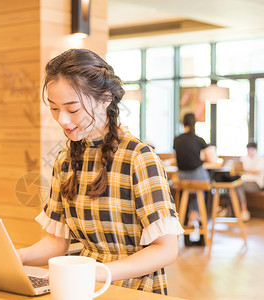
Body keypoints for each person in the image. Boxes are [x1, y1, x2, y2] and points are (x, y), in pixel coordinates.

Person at [17, 49, 183, 294]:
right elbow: (56, 242)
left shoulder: (139, 157)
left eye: (72, 109)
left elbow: (166, 249)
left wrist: (99, 271)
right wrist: (14, 255)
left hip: (134, 289)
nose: (62, 120)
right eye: (54, 108)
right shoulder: (65, 160)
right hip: (81, 287)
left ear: (105, 98)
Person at [173, 113, 214, 226]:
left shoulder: (177, 139)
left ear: (183, 123)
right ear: (194, 123)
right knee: (202, 188)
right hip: (197, 175)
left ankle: (189, 216)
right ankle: (196, 214)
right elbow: (211, 159)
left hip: (181, 177)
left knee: (191, 191)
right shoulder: (198, 139)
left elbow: (176, 157)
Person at [235, 142, 264, 221]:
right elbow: (239, 170)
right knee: (236, 186)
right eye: (248, 149)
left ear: (255, 149)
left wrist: (245, 170)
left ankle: (244, 211)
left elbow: (257, 171)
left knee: (239, 186)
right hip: (244, 181)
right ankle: (236, 211)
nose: (250, 151)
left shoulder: (261, 159)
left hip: (256, 183)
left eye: (252, 149)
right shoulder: (244, 158)